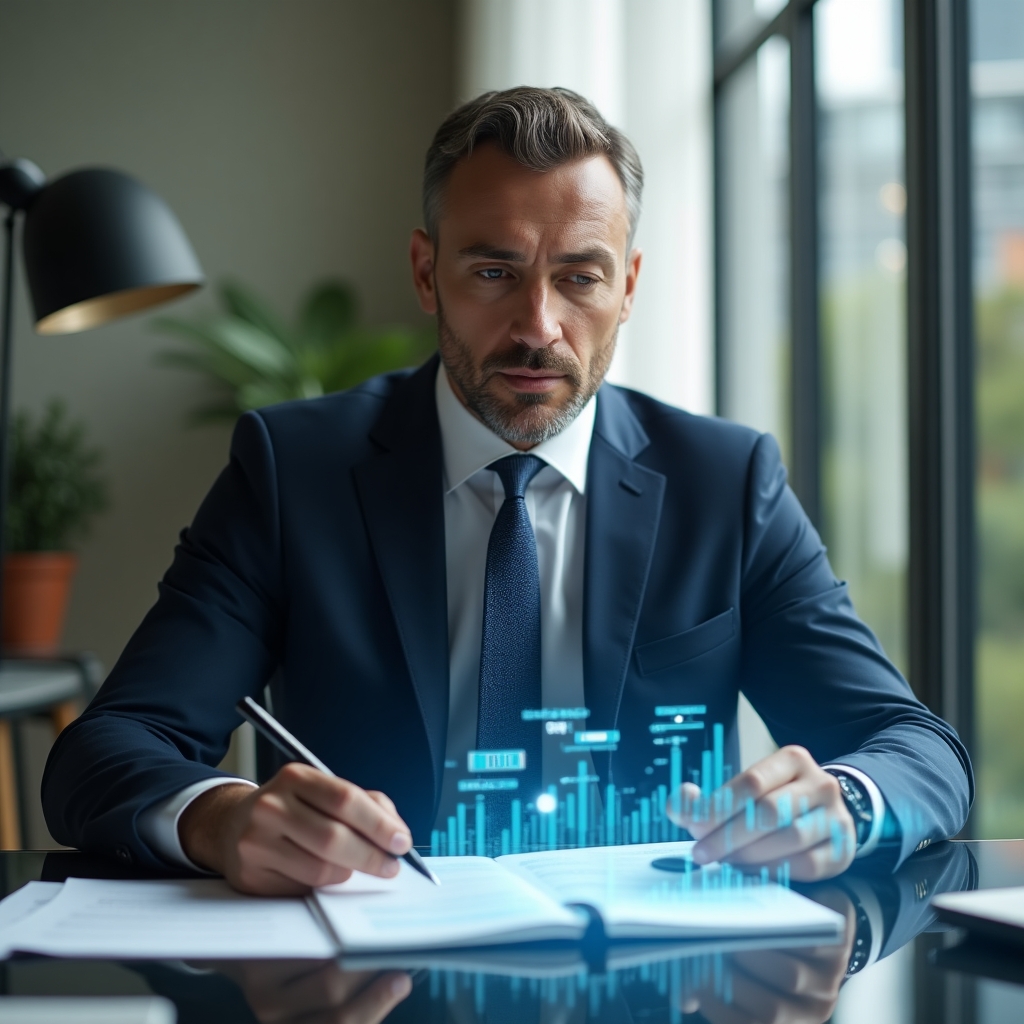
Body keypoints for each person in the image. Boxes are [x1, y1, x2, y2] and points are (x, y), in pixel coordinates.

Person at [42, 87, 972, 894]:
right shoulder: (294, 472)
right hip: (375, 977)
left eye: (580, 277)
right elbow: (107, 750)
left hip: (654, 983)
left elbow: (916, 747)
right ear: (425, 273)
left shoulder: (725, 483)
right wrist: (221, 817)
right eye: (494, 272)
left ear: (629, 286)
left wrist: (843, 802)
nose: (540, 326)